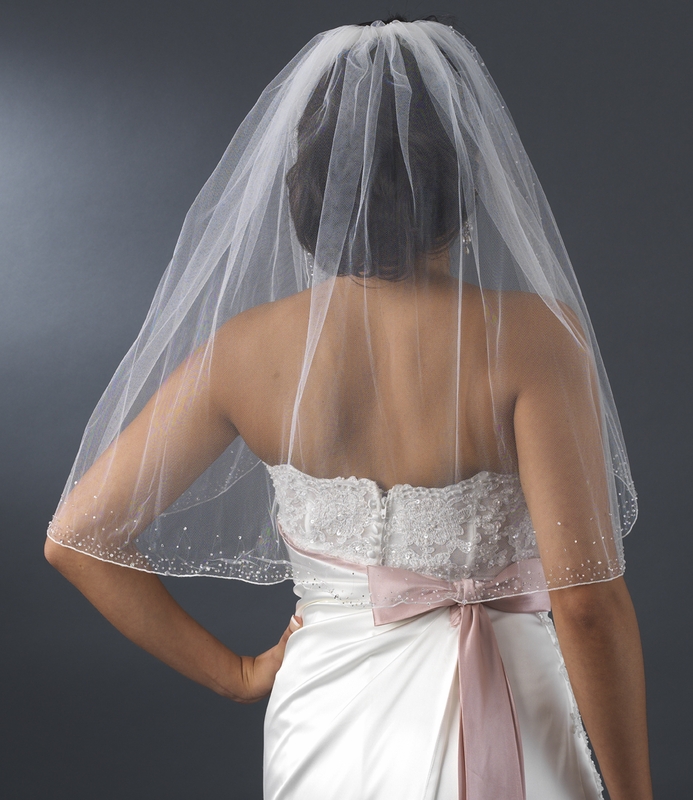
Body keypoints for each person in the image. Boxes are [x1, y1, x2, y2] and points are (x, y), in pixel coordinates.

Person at [45, 16, 652, 800]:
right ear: (463, 190)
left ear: (309, 195)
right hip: (512, 705)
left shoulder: (244, 352)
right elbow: (588, 604)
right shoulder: (534, 339)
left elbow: (77, 539)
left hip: (326, 719)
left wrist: (237, 675)